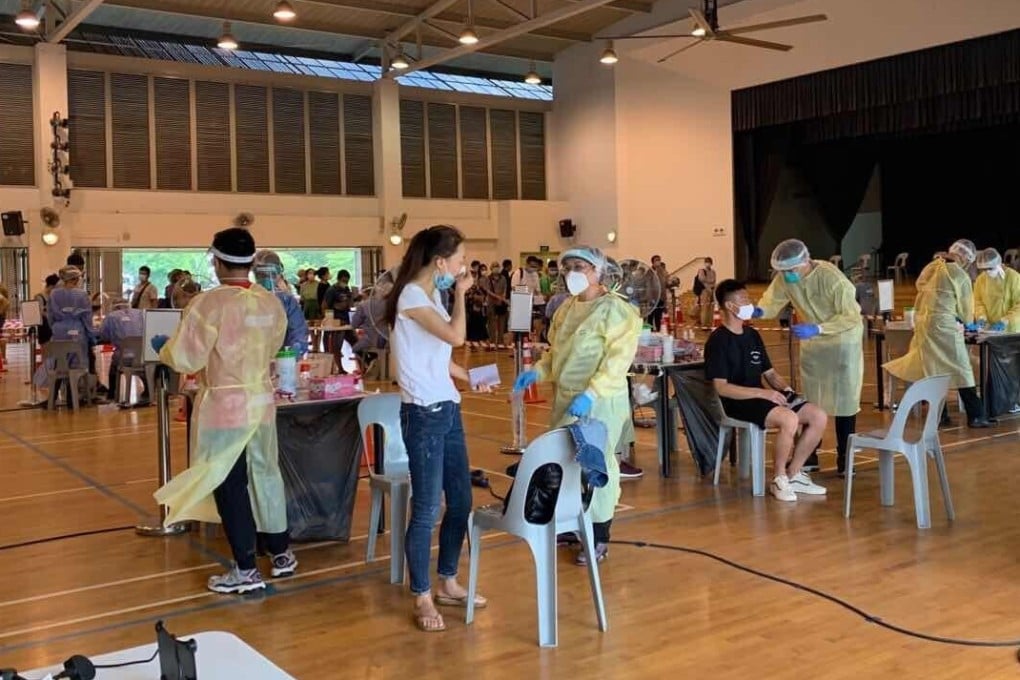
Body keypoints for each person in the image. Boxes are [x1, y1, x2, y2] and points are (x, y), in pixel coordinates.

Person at [151, 227, 295, 594]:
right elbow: (277, 342)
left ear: (217, 262)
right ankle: (281, 553)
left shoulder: (209, 304)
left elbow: (186, 356)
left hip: (226, 405)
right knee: (266, 473)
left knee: (229, 483)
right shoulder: (269, 301)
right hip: (261, 399)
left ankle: (246, 568)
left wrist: (164, 347)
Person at [385, 224, 488, 633]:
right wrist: (462, 294)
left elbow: (440, 356)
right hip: (423, 415)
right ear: (440, 261)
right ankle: (422, 594)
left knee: (461, 501)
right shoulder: (412, 295)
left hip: (448, 408)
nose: (463, 267)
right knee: (428, 507)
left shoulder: (431, 296)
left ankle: (448, 579)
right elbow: (457, 335)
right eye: (460, 259)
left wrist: (470, 377)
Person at [513, 246, 642, 564]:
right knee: (564, 463)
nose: (572, 272)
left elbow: (617, 361)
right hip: (565, 398)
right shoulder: (565, 309)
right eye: (567, 266)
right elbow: (555, 355)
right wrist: (536, 372)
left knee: (597, 466)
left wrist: (592, 393)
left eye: (580, 266)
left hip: (600, 402)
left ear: (598, 271)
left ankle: (599, 535)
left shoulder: (617, 311)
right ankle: (570, 523)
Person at [706, 279, 829, 500]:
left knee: (818, 416)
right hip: (737, 402)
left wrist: (787, 389)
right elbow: (721, 387)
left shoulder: (753, 335)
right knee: (789, 419)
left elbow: (770, 374)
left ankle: (794, 473)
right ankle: (778, 479)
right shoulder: (718, 341)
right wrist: (763, 393)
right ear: (729, 306)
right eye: (743, 300)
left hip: (763, 397)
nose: (749, 304)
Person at [756, 239, 864, 475]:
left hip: (841, 342)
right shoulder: (787, 277)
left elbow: (851, 317)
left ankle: (845, 458)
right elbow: (771, 301)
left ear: (806, 261)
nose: (787, 276)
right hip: (814, 347)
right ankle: (809, 455)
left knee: (844, 401)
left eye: (791, 271)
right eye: (783, 272)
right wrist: (757, 311)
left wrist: (819, 328)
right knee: (812, 400)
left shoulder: (833, 279)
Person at [884, 240, 994, 428]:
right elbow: (966, 307)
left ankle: (939, 415)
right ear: (966, 257)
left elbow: (920, 285)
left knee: (933, 371)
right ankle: (976, 415)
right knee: (962, 369)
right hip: (944, 326)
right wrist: (968, 323)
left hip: (924, 324)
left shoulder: (932, 266)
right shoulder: (959, 275)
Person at [253, 249, 309, 357]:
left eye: (269, 274)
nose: (266, 278)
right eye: (262, 274)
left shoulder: (243, 298)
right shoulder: (286, 300)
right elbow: (299, 337)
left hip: (250, 365)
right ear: (279, 272)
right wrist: (288, 358)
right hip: (280, 364)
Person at [48, 266, 96, 377]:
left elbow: (50, 315)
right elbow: (87, 318)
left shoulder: (54, 294)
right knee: (77, 366)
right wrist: (91, 337)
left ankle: (55, 392)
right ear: (75, 279)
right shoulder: (82, 295)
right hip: (77, 331)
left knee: (59, 364)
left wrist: (56, 328)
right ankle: (73, 392)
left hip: (58, 331)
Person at [97, 298, 145, 403]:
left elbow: (103, 337)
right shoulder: (141, 314)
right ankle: (148, 393)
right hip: (142, 356)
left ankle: (111, 393)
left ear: (116, 307)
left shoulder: (111, 317)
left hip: (123, 358)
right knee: (146, 369)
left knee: (113, 364)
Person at [973, 248, 1020, 332]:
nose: (987, 272)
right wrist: (981, 317)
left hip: (1010, 328)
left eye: (990, 268)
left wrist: (1006, 320)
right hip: (989, 327)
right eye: (984, 269)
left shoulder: (1013, 277)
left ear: (998, 263)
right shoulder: (981, 279)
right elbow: (978, 301)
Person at [481, 262, 508, 349]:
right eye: (494, 267)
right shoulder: (487, 279)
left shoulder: (503, 278)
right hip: (491, 302)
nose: (496, 268)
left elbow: (505, 288)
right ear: (491, 268)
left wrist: (502, 297)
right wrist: (496, 297)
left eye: (497, 267)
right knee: (491, 323)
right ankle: (492, 341)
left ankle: (500, 341)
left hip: (501, 302)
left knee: (501, 322)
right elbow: (488, 291)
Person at [696, 257, 718, 327]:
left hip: (712, 290)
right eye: (706, 262)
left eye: (709, 262)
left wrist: (711, 289)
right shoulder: (702, 271)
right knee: (704, 307)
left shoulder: (713, 271)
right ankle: (704, 324)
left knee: (711, 307)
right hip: (704, 291)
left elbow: (714, 280)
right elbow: (702, 280)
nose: (708, 264)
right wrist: (709, 285)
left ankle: (709, 322)